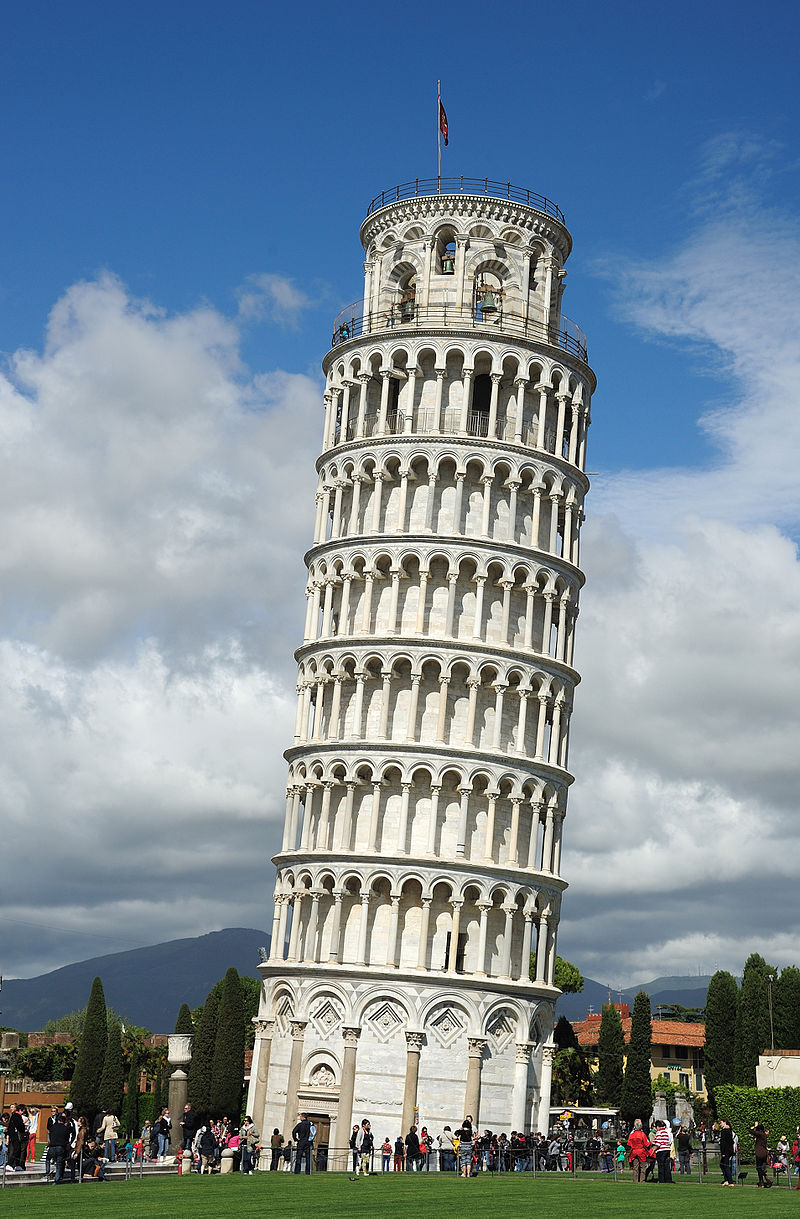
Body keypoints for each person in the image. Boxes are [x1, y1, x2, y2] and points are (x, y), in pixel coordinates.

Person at [626, 1118, 651, 1183]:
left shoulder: (632, 1135)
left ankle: (635, 1180)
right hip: (641, 1151)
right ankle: (642, 1180)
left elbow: (629, 1143)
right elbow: (647, 1144)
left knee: (635, 1167)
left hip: (634, 1152)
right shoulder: (642, 1134)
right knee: (643, 1167)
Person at [751, 1121, 770, 1187]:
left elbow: (750, 1130)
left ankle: (764, 1179)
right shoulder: (763, 1134)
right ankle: (762, 1180)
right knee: (762, 1167)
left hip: (759, 1153)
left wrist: (754, 1126)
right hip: (764, 1152)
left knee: (759, 1168)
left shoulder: (759, 1134)